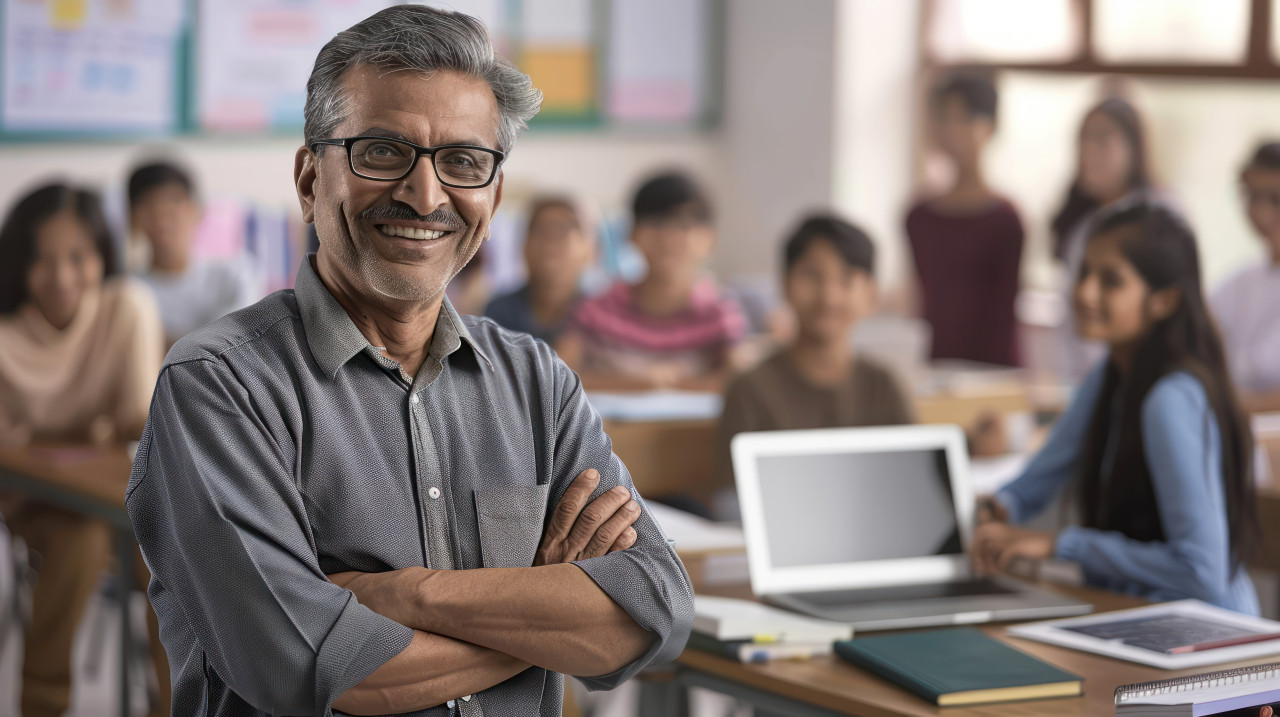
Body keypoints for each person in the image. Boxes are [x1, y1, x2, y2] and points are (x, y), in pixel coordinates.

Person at [125, 7, 692, 716]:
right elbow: (309, 666)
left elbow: (655, 609)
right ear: (309, 180)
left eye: (462, 161)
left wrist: (403, 594)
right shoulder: (220, 386)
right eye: (383, 151)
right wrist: (544, 610)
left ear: (493, 196)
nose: (425, 195)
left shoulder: (536, 383)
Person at [972, 203, 1260, 614]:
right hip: (1142, 618)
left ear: (1163, 301)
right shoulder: (1109, 376)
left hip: (1211, 641)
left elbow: (1201, 571)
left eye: (1110, 281)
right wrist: (999, 508)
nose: (1085, 292)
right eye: (1084, 273)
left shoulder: (1169, 399)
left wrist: (1062, 545)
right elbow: (1035, 482)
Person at [0, 184, 169, 717]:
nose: (63, 277)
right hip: (34, 502)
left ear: (103, 256)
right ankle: (42, 702)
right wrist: (92, 438)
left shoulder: (126, 309)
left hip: (115, 491)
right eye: (43, 260)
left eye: (79, 257)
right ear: (17, 263)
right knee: (81, 538)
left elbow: (144, 422)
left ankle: (178, 702)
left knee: (173, 549)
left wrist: (49, 442)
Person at [718, 215, 914, 466]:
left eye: (846, 278)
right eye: (812, 275)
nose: (828, 296)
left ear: (871, 295)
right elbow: (730, 498)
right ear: (785, 283)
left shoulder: (884, 385)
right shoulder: (749, 390)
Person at [557, 171, 746, 391]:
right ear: (632, 234)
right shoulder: (597, 310)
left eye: (684, 224)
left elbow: (738, 380)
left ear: (710, 238)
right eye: (656, 222)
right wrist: (638, 383)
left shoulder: (721, 312)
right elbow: (559, 378)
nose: (668, 237)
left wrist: (669, 384)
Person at [905, 72, 1024, 367]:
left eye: (964, 118)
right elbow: (921, 299)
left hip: (994, 371)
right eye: (944, 118)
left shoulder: (1006, 220)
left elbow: (1004, 314)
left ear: (990, 126)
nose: (952, 130)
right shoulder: (918, 216)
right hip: (934, 366)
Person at [1050, 97, 1157, 380]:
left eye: (1101, 140)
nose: (1088, 151)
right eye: (1083, 140)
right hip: (1083, 382)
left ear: (1133, 147)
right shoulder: (1083, 227)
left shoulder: (1157, 220)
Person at [129, 161, 261, 346]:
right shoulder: (128, 292)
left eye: (174, 200)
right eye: (149, 203)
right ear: (132, 217)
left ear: (197, 210)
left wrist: (164, 342)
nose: (162, 213)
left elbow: (241, 341)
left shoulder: (236, 273)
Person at [1211, 142, 1280, 414]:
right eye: (1252, 196)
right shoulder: (1235, 285)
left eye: (1275, 199)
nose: (1261, 213)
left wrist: (1226, 404)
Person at [484, 195, 594, 343]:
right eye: (540, 228)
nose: (550, 237)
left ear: (589, 250)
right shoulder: (497, 313)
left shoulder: (599, 319)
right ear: (523, 245)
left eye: (563, 227)